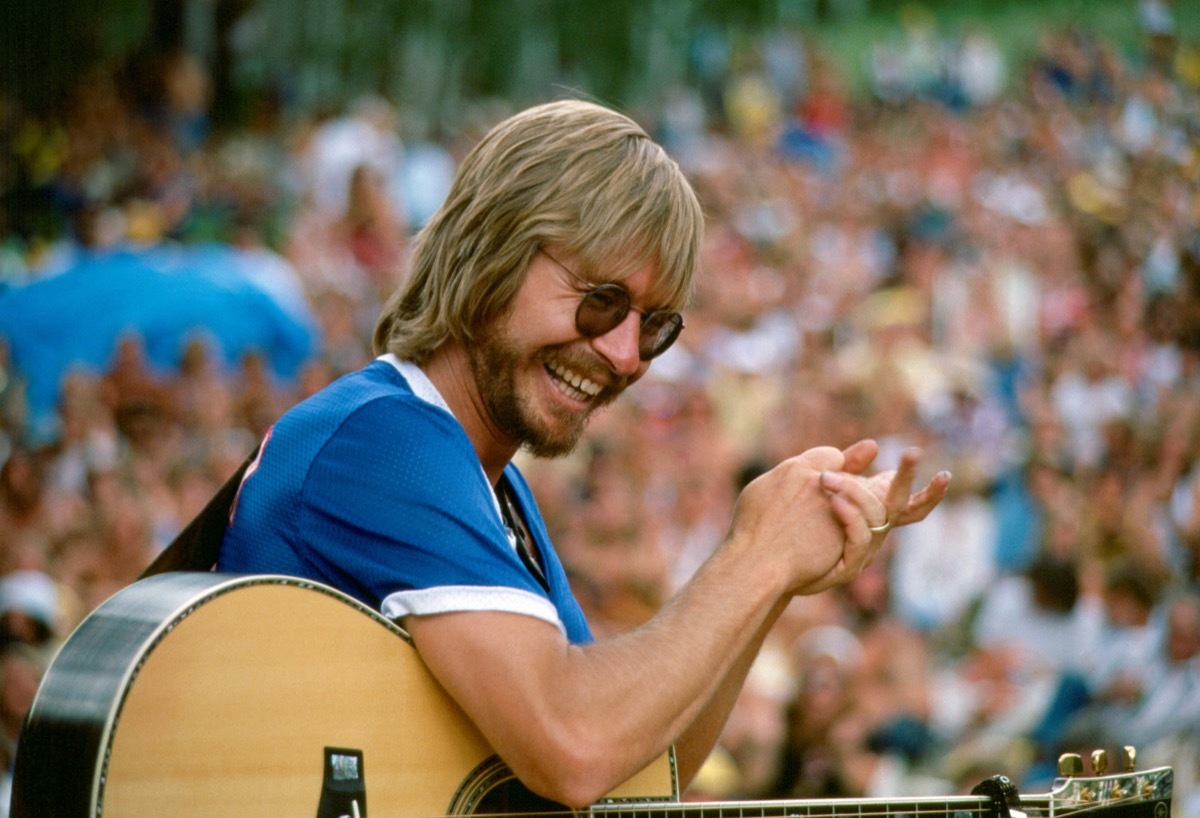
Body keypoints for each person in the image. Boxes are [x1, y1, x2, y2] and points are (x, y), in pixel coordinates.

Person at [216, 99, 951, 807]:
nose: (627, 356)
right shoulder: (386, 438)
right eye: (602, 302)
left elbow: (644, 768)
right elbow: (575, 747)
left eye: (655, 328)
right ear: (493, 253)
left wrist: (775, 575)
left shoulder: (491, 483)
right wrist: (752, 557)